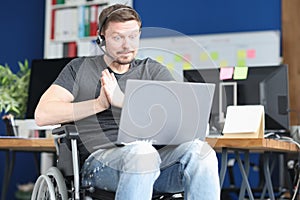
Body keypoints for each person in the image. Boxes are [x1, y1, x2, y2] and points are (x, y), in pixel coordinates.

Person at [35, 4, 220, 200]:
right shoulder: (80, 69)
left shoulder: (153, 70)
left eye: (133, 37)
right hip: (99, 166)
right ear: (102, 38)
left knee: (201, 152)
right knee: (142, 153)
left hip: (156, 163)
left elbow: (183, 117)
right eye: (117, 38)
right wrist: (99, 104)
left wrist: (123, 100)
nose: (127, 45)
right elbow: (43, 114)